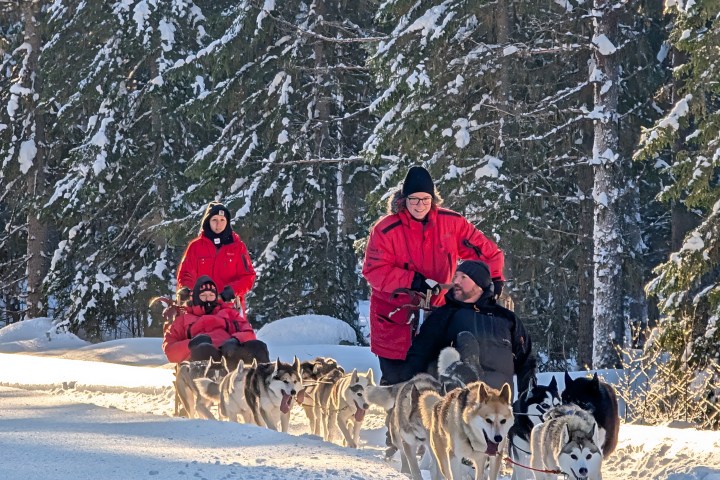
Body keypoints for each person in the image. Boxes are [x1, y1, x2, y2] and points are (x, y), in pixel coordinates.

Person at [362, 165, 506, 385]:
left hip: (436, 311)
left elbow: (484, 250)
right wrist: (412, 281)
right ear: (404, 199)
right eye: (414, 200)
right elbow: (374, 271)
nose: (420, 205)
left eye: (425, 199)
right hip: (395, 314)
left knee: (435, 379)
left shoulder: (451, 223)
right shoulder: (385, 229)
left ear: (433, 199)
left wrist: (495, 277)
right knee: (396, 382)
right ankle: (394, 418)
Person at [402, 260, 536, 395]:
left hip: (498, 408)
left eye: (463, 277)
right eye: (456, 276)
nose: (456, 282)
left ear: (480, 284)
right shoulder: (442, 316)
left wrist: (525, 400)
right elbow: (418, 357)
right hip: (455, 407)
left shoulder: (507, 319)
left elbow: (526, 362)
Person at [162, 276, 269, 367]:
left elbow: (249, 333)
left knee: (258, 347)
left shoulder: (229, 313)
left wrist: (235, 340)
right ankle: (209, 388)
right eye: (203, 296)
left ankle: (262, 384)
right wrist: (190, 344)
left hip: (230, 352)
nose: (208, 299)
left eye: (211, 295)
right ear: (195, 297)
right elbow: (170, 350)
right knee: (204, 350)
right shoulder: (184, 319)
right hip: (200, 358)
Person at [176, 201, 256, 315]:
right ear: (208, 221)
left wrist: (231, 291)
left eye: (222, 220)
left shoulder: (238, 247)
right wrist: (188, 290)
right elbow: (185, 274)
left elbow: (248, 276)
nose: (218, 224)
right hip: (200, 308)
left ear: (227, 222)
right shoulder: (196, 247)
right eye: (214, 220)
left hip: (229, 308)